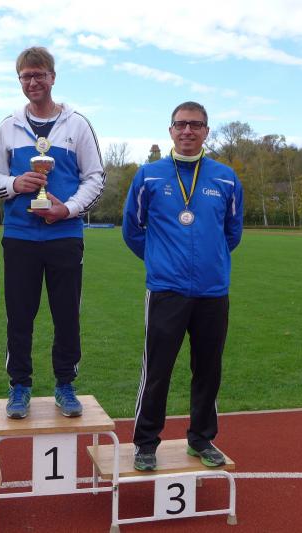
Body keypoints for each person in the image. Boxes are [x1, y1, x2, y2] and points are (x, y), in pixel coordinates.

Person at [122, 101, 243, 471]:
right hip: (166, 289)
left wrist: (210, 261)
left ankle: (201, 439)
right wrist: (160, 260)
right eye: (181, 124)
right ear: (170, 130)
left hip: (212, 291)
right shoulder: (149, 176)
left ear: (206, 131)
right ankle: (145, 443)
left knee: (208, 370)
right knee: (157, 370)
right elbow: (132, 228)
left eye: (195, 124)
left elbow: (232, 232)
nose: (187, 130)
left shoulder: (226, 178)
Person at [0, 46, 105, 419]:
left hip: (64, 236)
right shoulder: (8, 126)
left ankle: (65, 384)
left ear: (53, 77)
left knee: (67, 315)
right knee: (19, 316)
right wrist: (15, 184)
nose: (33, 81)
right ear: (19, 81)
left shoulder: (77, 124)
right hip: (20, 236)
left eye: (39, 74)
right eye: (26, 76)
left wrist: (66, 209)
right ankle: (19, 385)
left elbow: (95, 178)